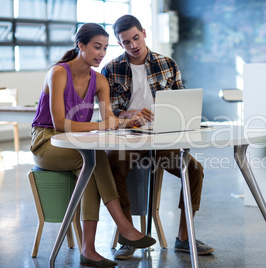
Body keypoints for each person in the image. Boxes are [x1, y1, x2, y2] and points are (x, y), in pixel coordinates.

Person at [30, 23, 156, 268]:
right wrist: (103, 125)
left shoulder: (99, 81)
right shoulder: (58, 73)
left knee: (90, 169)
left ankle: (88, 250)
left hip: (76, 145)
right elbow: (60, 123)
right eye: (97, 47)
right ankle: (124, 226)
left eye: (105, 48)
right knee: (94, 160)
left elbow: (108, 119)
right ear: (80, 45)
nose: (101, 53)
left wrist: (127, 120)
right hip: (47, 142)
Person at [101, 14, 214, 260]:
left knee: (193, 169)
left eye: (136, 38)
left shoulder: (167, 63)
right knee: (112, 166)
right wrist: (130, 114)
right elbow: (108, 111)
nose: (133, 45)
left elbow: (182, 99)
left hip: (161, 138)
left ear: (143, 32)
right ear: (119, 44)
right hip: (128, 137)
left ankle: (184, 237)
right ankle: (129, 236)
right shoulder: (111, 69)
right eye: (126, 42)